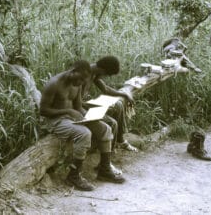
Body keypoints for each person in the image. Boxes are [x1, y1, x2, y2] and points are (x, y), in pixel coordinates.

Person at [40, 60, 125, 191]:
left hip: (72, 118)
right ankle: (73, 176)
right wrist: (68, 111)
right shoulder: (54, 84)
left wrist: (91, 116)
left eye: (82, 82)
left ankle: (104, 169)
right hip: (56, 121)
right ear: (73, 71)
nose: (80, 84)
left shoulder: (78, 82)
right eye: (79, 80)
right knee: (85, 133)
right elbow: (43, 111)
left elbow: (78, 106)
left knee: (105, 128)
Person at [82, 56, 138, 152]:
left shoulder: (94, 73)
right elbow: (75, 102)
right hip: (80, 109)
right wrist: (98, 106)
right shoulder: (83, 75)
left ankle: (120, 140)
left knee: (118, 105)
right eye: (106, 75)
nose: (105, 77)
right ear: (103, 70)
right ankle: (109, 151)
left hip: (86, 104)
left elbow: (106, 89)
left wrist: (124, 94)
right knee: (112, 122)